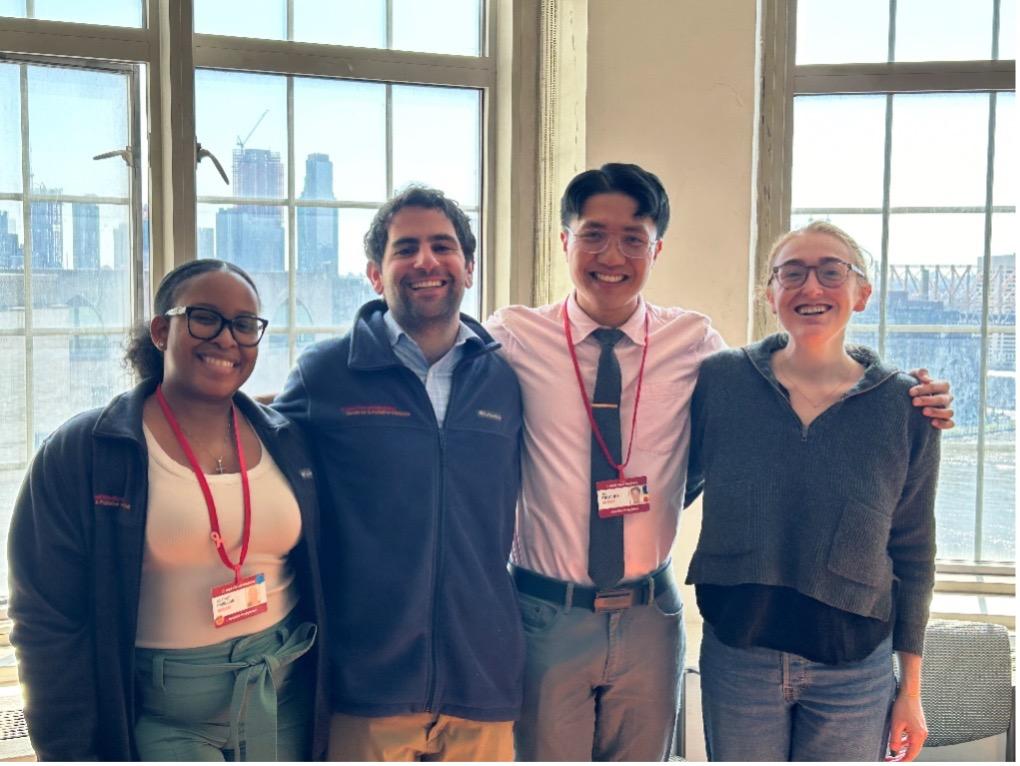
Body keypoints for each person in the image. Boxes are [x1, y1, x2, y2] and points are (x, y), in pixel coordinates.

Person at [485, 163, 954, 761]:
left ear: (657, 249)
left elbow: (909, 545)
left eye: (634, 238)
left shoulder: (698, 347)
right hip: (553, 613)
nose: (613, 254)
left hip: (656, 618)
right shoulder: (514, 337)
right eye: (593, 234)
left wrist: (911, 391)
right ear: (564, 242)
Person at [7, 259, 328, 761]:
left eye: (245, 325)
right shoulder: (87, 451)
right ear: (161, 330)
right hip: (163, 722)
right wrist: (66, 747)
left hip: (284, 700)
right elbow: (45, 619)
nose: (227, 339)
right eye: (205, 317)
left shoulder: (287, 440)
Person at [272, 186, 524, 761]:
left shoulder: (505, 381)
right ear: (374, 273)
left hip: (481, 676)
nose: (426, 261)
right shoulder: (325, 375)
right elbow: (255, 470)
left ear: (469, 266)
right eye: (405, 248)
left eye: (443, 246)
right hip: (366, 684)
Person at [686, 221, 940, 762]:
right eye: (792, 273)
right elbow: (667, 476)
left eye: (832, 272)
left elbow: (913, 551)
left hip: (855, 666)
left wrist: (911, 690)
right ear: (770, 293)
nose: (812, 288)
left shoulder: (906, 406)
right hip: (739, 655)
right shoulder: (720, 381)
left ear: (862, 294)